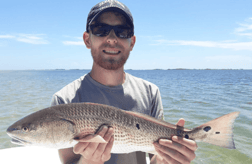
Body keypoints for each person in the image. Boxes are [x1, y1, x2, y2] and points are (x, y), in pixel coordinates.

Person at [51, 0, 197, 163]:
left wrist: (170, 158)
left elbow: (155, 158)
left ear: (132, 42)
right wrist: (90, 161)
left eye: (122, 31)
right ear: (87, 39)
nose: (112, 39)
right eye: (101, 30)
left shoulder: (150, 92)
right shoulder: (64, 100)